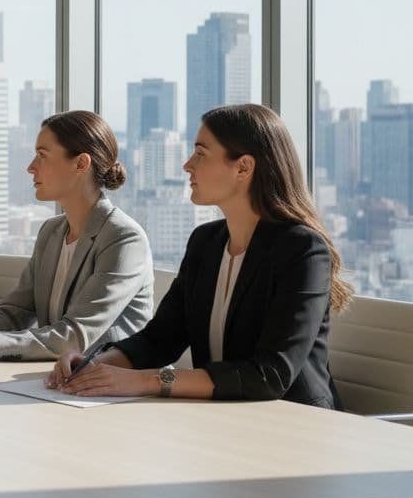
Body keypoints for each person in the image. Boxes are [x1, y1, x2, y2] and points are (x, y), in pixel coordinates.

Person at [49, 103, 353, 408]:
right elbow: (160, 339)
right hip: (222, 418)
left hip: (295, 424)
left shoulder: (302, 251)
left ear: (243, 168)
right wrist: (94, 364)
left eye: (201, 154)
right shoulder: (206, 242)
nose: (187, 165)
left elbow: (269, 375)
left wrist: (145, 380)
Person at [0, 110, 153, 362]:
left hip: (114, 390)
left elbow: (73, 336)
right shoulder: (51, 232)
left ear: (81, 164)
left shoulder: (123, 238)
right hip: (54, 380)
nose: (31, 167)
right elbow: (15, 313)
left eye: (42, 155)